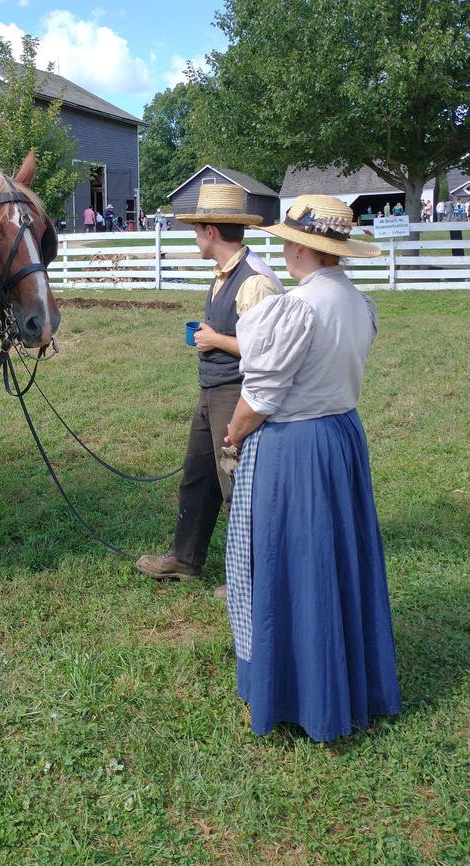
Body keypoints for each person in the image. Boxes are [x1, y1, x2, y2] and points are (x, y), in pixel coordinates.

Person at [223, 194, 401, 741]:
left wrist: (233, 432)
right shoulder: (356, 302)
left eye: (286, 240)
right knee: (337, 561)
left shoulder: (300, 307)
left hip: (295, 448)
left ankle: (301, 692)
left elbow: (261, 396)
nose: (283, 248)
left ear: (302, 246)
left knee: (293, 561)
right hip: (342, 437)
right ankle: (350, 680)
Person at [135, 182, 283, 585]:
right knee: (199, 476)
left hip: (238, 394)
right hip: (214, 389)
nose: (195, 237)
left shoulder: (256, 283)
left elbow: (270, 355)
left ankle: (252, 579)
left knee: (236, 484)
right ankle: (185, 558)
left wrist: (215, 340)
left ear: (212, 232)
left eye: (198, 229)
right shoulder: (225, 274)